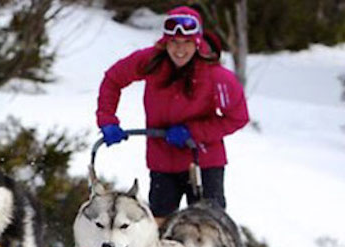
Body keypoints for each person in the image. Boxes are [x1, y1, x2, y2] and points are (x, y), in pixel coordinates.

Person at [96, 6, 249, 225]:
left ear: (197, 43)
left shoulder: (216, 76)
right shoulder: (151, 61)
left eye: (186, 43)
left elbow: (237, 117)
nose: (180, 50)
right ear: (165, 42)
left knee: (206, 228)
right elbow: (113, 79)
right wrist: (107, 119)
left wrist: (193, 132)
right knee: (159, 227)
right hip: (162, 161)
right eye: (174, 42)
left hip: (202, 161)